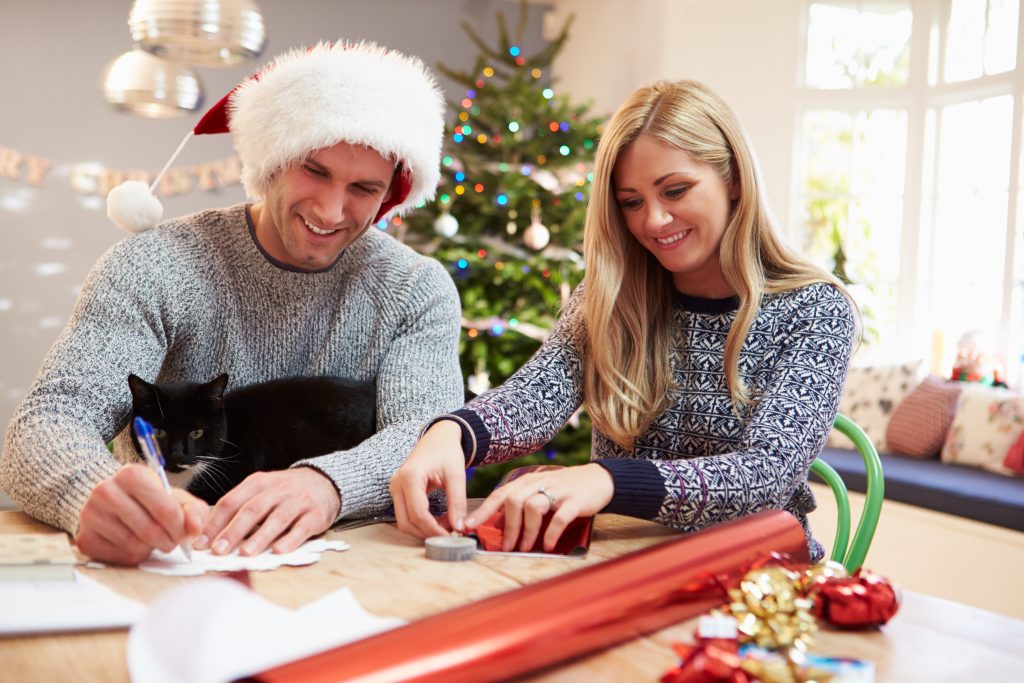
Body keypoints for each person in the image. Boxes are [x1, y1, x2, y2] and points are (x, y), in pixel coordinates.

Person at [0, 41, 463, 565]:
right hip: (178, 561)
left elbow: (428, 445)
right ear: (270, 160)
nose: (332, 210)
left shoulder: (416, 289)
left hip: (361, 568)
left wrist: (327, 485)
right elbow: (47, 421)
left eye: (363, 187)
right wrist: (88, 492)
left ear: (391, 193)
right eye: (313, 170)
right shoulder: (155, 264)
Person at [391, 80, 857, 562]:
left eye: (675, 190)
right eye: (631, 202)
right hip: (624, 563)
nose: (653, 221)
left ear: (734, 179)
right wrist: (453, 433)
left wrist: (608, 479)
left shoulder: (815, 309)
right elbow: (537, 396)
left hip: (759, 576)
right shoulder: (609, 296)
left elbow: (769, 474)